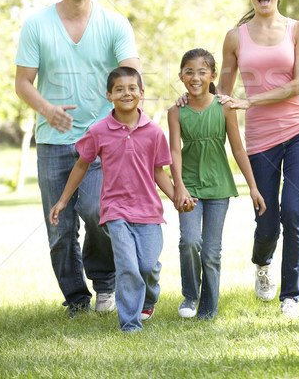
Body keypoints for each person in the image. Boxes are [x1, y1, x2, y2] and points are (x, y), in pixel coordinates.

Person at [15, 0, 141, 317]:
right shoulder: (37, 24)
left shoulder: (115, 24)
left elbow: (131, 77)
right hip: (53, 142)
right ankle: (76, 298)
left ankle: (105, 286)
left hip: (101, 141)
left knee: (99, 212)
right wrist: (48, 110)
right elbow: (23, 83)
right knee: (60, 228)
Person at [49, 66, 195, 332]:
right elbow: (82, 165)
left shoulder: (153, 131)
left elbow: (158, 172)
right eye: (119, 89)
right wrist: (62, 200)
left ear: (141, 92)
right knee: (128, 266)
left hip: (149, 211)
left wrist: (176, 197)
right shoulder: (99, 130)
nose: (126, 93)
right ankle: (130, 324)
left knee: (147, 266)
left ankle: (148, 298)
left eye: (131, 88)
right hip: (115, 210)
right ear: (109, 95)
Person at [218, 0, 299, 318]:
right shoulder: (235, 37)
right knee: (267, 219)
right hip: (259, 140)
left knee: (293, 211)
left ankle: (290, 294)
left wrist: (252, 101)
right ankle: (262, 263)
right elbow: (222, 95)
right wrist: (190, 96)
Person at [168, 48, 266, 321]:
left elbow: (237, 147)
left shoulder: (224, 107)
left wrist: (253, 187)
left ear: (212, 75)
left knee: (211, 251)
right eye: (189, 71)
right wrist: (178, 186)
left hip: (219, 187)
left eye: (202, 72)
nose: (195, 77)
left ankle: (208, 310)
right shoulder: (176, 111)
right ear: (181, 76)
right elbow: (174, 151)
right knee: (189, 242)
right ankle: (190, 295)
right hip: (189, 186)